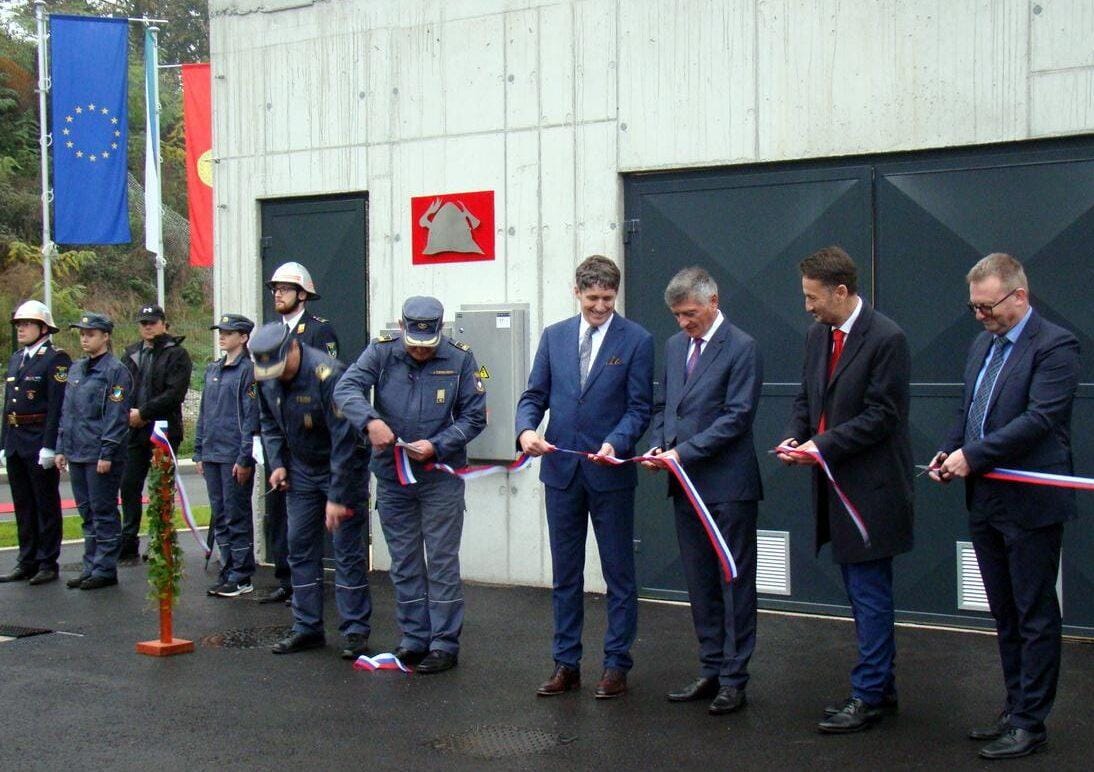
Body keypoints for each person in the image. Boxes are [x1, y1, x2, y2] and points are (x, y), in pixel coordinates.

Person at [929, 253, 1080, 760]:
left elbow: (1040, 419)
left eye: (987, 307)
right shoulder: (981, 344)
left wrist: (972, 455)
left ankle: (1030, 723)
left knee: (1034, 613)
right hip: (986, 500)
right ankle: (1015, 707)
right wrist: (949, 450)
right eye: (974, 308)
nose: (980, 317)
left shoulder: (1055, 345)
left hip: (1032, 504)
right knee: (1005, 613)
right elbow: (969, 410)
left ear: (1019, 296)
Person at [776, 245, 914, 733]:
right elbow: (805, 395)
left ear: (841, 290)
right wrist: (798, 434)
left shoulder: (886, 338)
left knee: (870, 591)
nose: (807, 306)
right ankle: (881, 686)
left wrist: (821, 446)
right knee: (860, 591)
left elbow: (883, 415)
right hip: (834, 484)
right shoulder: (819, 336)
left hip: (871, 491)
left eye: (813, 297)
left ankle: (869, 694)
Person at [515, 255, 654, 699]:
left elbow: (639, 408)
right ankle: (566, 663)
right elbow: (533, 395)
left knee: (618, 574)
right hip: (561, 473)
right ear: (576, 292)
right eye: (592, 298)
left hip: (609, 474)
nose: (600, 307)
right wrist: (524, 430)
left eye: (608, 299)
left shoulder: (637, 340)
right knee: (566, 575)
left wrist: (616, 441)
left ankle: (616, 664)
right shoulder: (554, 337)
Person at [334, 296, 486, 674]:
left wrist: (439, 444)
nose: (420, 353)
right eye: (414, 346)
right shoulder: (380, 353)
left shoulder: (461, 358)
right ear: (402, 329)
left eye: (428, 346)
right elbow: (345, 390)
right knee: (403, 562)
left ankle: (444, 644)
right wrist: (370, 421)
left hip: (439, 477)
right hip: (392, 476)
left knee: (442, 562)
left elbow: (474, 417)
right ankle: (414, 638)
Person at [643, 267, 763, 715]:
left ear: (713, 300)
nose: (683, 323)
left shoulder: (742, 347)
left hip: (727, 486)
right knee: (700, 582)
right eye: (676, 315)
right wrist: (660, 444)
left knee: (733, 581)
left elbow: (737, 417)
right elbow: (665, 406)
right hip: (684, 484)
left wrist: (684, 452)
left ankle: (735, 678)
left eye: (690, 313)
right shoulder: (676, 347)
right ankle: (711, 667)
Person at [250, 322, 372, 659]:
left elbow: (345, 440)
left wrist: (337, 496)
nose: (274, 375)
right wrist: (276, 464)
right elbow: (269, 422)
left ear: (292, 348)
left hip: (342, 467)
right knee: (299, 547)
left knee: (347, 550)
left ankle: (355, 632)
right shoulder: (266, 373)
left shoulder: (328, 374)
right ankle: (307, 627)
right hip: (300, 469)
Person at [261, 261, 339, 604]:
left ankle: (321, 588)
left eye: (285, 289)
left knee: (324, 526)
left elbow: (332, 388)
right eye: (275, 289)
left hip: (318, 443)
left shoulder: (320, 332)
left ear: (303, 294)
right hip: (285, 442)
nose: (278, 294)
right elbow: (263, 390)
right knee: (283, 520)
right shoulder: (268, 334)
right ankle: (287, 579)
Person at [55, 313, 133, 590]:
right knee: (86, 512)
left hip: (99, 452)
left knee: (103, 511)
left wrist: (107, 452)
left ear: (105, 336)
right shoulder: (76, 369)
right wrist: (61, 447)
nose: (85, 338)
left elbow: (116, 414)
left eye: (91, 333)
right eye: (82, 334)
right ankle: (90, 565)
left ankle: (105, 568)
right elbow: (68, 412)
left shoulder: (116, 371)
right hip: (77, 450)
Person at [0, 301, 71, 586]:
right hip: (17, 440)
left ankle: (47, 562)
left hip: (39, 438)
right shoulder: (17, 358)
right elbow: (7, 405)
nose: (21, 329)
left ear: (43, 328)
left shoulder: (56, 359)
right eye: (18, 324)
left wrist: (50, 445)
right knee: (23, 504)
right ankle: (26, 559)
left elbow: (57, 405)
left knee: (45, 504)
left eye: (27, 324)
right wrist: (4, 442)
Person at [118, 304, 192, 560]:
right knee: (128, 486)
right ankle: (127, 540)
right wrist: (126, 412)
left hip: (162, 430)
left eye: (152, 322)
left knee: (161, 489)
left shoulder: (177, 355)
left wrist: (144, 413)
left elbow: (175, 393)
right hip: (135, 431)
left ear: (164, 323)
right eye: (143, 323)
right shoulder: (131, 355)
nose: (147, 327)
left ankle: (159, 541)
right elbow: (120, 388)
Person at [194, 314, 259, 598]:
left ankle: (241, 574)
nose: (222, 336)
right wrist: (199, 450)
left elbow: (250, 418)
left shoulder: (249, 371)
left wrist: (245, 458)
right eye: (221, 331)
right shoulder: (212, 369)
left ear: (243, 337)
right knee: (220, 515)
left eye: (229, 332)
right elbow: (204, 413)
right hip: (212, 453)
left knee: (236, 514)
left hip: (233, 454)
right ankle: (227, 568)